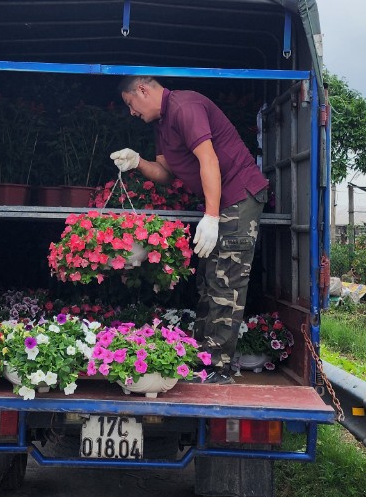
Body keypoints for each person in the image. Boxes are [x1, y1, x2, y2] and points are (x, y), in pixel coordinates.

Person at [111, 76, 268, 384]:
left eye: (130, 104)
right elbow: (166, 174)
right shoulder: (162, 123)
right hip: (220, 202)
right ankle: (201, 358)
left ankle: (217, 370)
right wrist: (137, 162)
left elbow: (208, 159)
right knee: (208, 281)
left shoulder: (185, 106)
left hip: (237, 196)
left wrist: (210, 216)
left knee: (226, 282)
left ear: (143, 90)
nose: (131, 112)